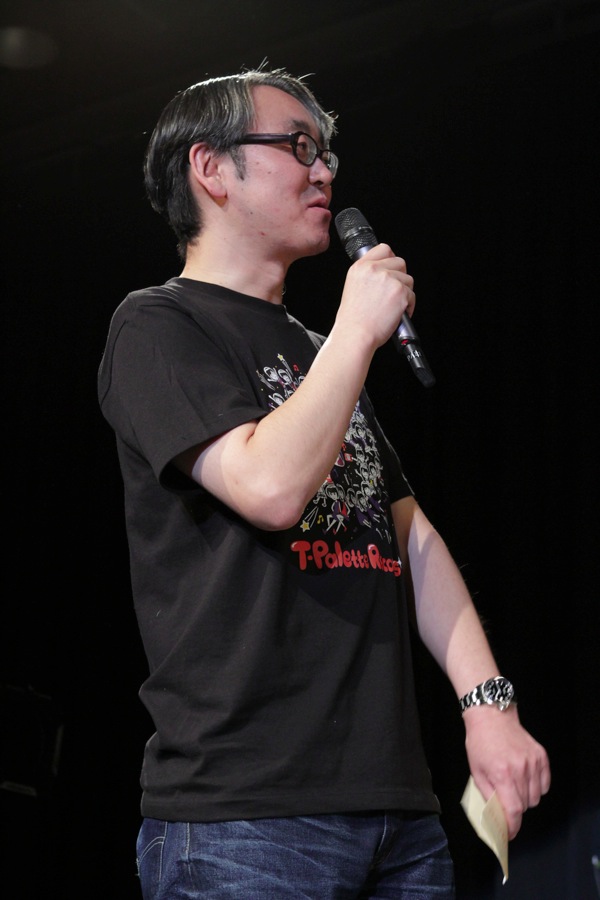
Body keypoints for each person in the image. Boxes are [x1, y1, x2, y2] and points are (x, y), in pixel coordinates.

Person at [97, 66, 550, 899]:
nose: (324, 173)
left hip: (397, 811)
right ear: (212, 168)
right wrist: (354, 333)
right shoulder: (160, 324)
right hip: (246, 820)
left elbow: (408, 533)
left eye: (327, 153)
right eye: (298, 147)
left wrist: (489, 706)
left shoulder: (320, 349)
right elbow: (269, 489)